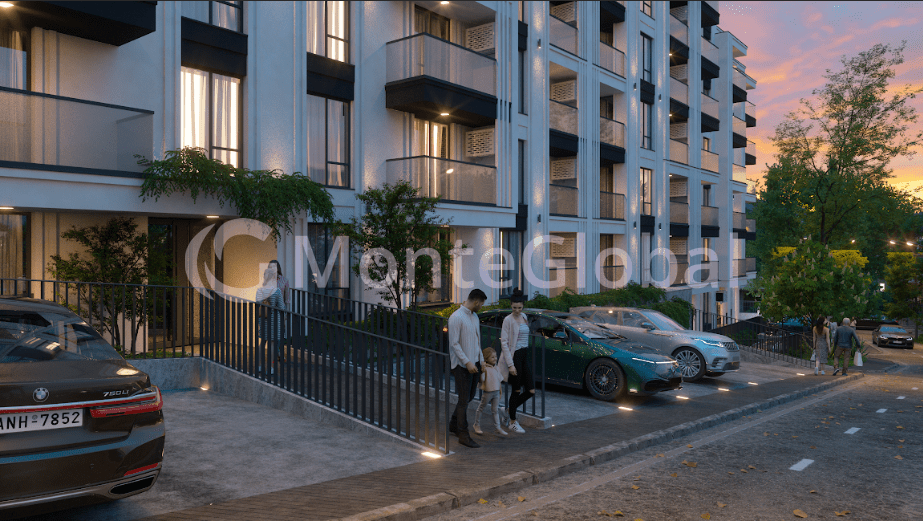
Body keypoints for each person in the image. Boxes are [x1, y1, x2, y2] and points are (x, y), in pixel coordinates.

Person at [448, 288, 488, 448]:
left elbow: (477, 341)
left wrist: (481, 360)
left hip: (475, 363)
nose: (481, 307)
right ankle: (463, 434)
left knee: (468, 397)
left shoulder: (475, 317)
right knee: (464, 400)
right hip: (461, 365)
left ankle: (453, 423)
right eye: (481, 304)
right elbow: (454, 344)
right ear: (476, 302)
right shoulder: (456, 317)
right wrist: (467, 362)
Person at [501, 288, 533, 434]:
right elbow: (504, 343)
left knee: (531, 390)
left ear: (523, 306)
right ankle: (512, 422)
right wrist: (510, 364)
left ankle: (508, 410)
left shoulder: (524, 316)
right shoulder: (508, 320)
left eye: (519, 307)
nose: (517, 310)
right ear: (511, 305)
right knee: (516, 390)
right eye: (514, 307)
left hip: (525, 355)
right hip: (515, 356)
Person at [255, 266, 285, 377]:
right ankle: (271, 368)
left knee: (262, 343)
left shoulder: (259, 290)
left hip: (262, 319)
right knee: (272, 344)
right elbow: (282, 307)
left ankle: (259, 366)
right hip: (274, 320)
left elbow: (257, 305)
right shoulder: (276, 291)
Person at [473, 347, 507, 436]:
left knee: (495, 410)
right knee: (481, 408)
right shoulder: (485, 368)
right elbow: (482, 380)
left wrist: (500, 391)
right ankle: (476, 425)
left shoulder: (496, 368)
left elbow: (499, 381)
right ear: (486, 358)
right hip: (488, 393)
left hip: (496, 392)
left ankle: (498, 428)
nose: (495, 358)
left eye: (495, 356)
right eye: (492, 357)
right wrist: (482, 371)